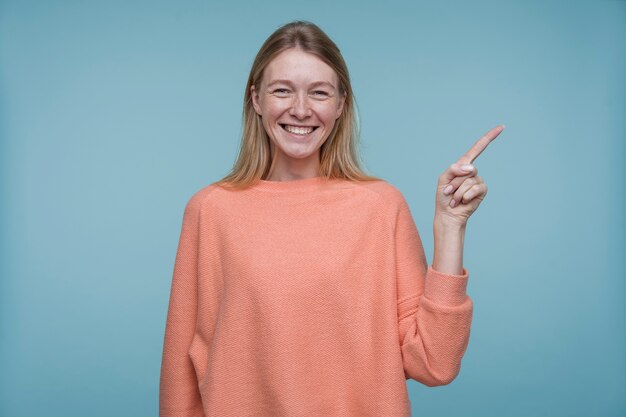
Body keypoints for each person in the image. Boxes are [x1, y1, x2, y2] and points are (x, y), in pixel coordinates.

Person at [159, 20, 504, 417]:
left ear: (340, 104)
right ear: (256, 100)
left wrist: (450, 226)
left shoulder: (380, 207)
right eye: (282, 90)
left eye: (319, 93)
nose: (301, 109)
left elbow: (434, 362)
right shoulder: (210, 210)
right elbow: (179, 381)